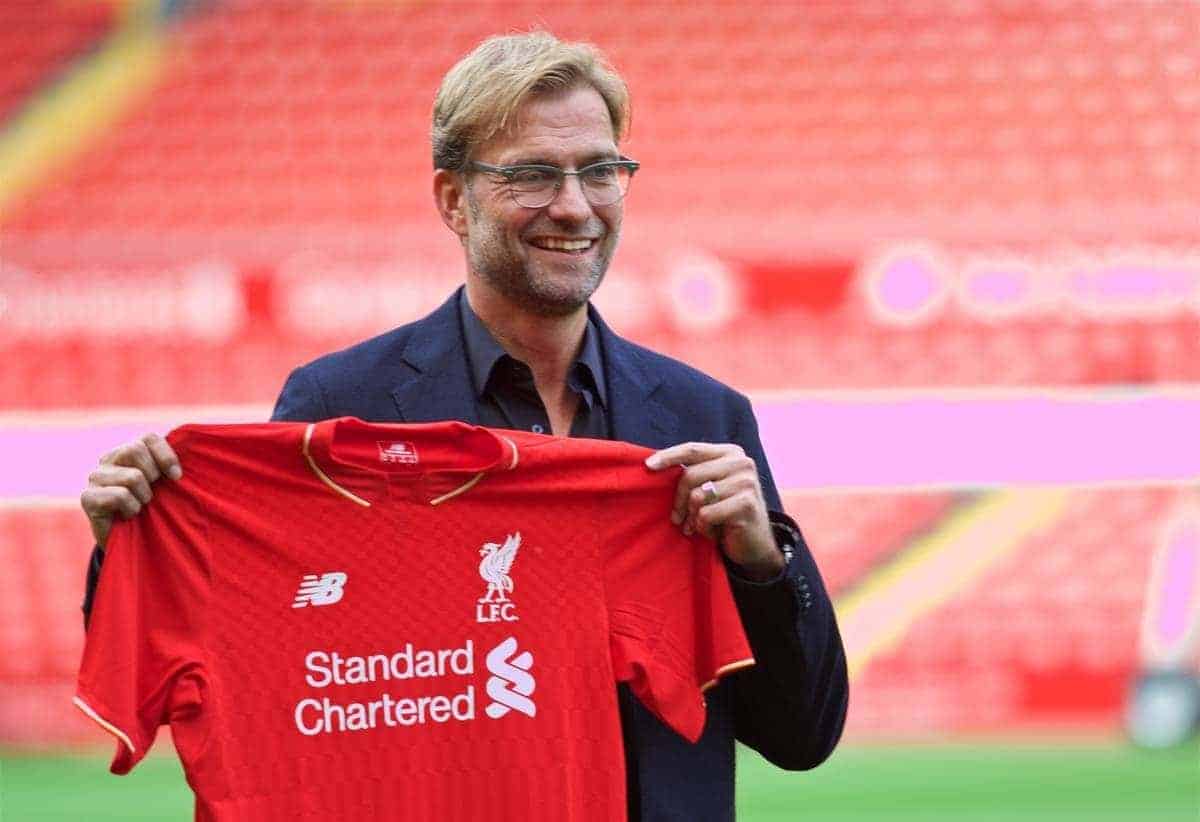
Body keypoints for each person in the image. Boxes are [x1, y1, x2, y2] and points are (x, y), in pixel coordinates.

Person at [79, 32, 847, 821]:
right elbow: (258, 678)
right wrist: (134, 541)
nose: (575, 205)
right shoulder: (340, 408)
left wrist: (761, 561)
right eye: (532, 175)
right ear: (453, 199)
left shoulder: (701, 419)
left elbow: (802, 735)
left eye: (600, 171)